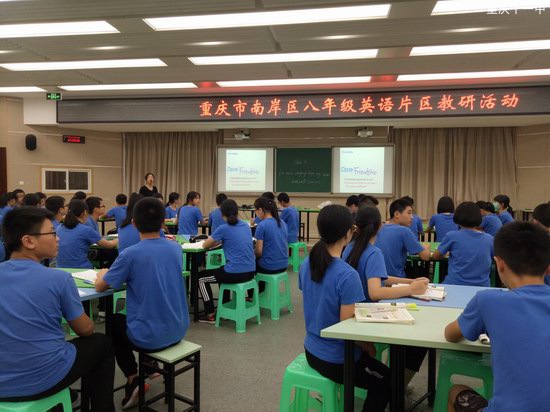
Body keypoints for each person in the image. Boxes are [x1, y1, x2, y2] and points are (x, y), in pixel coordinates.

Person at [0, 207, 115, 411]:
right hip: (43, 378)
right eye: (52, 233)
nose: (58, 238)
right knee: (102, 343)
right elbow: (84, 330)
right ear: (28, 241)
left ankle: (69, 395)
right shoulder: (58, 278)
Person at [444, 222, 550, 412]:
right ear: (548, 268)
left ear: (499, 264)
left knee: (456, 391)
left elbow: (450, 335)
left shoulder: (488, 301)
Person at [96, 198, 189, 409]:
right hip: (178, 328)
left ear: (134, 223)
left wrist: (102, 273)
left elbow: (101, 286)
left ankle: (132, 378)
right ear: (163, 223)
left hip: (149, 336)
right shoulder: (176, 248)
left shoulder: (130, 254)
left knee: (114, 323)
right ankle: (150, 367)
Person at [299, 205, 390, 412]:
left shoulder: (307, 263)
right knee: (386, 380)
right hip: (336, 359)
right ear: (348, 233)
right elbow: (347, 329)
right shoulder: (347, 275)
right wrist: (367, 345)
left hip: (311, 349)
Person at [342, 206, 428, 302]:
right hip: (368, 307)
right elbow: (375, 293)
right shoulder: (374, 253)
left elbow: (377, 278)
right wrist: (411, 289)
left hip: (351, 305)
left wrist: (411, 282)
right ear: (380, 226)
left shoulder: (349, 247)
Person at [197, 199, 256, 324]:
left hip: (235, 273)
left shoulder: (223, 228)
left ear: (222, 214)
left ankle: (210, 314)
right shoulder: (245, 226)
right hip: (251, 272)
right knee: (222, 270)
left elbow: (205, 245)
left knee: (201, 278)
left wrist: (210, 241)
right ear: (237, 212)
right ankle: (225, 305)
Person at [432, 202, 494, 286]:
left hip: (454, 284)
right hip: (482, 286)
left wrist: (447, 255)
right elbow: (495, 258)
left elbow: (435, 256)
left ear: (457, 217)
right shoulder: (489, 239)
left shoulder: (452, 236)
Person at [374, 199, 431, 278]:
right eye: (409, 213)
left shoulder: (380, 228)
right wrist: (426, 247)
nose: (412, 217)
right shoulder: (404, 231)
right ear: (397, 214)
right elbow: (426, 257)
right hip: (397, 279)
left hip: (377, 278)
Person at [56, 199, 117, 269]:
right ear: (85, 212)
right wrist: (118, 239)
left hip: (60, 268)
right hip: (82, 269)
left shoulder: (59, 228)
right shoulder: (86, 229)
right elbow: (109, 245)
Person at [254, 196, 288, 282]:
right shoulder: (282, 222)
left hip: (269, 266)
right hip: (284, 265)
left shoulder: (262, 225)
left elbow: (259, 252)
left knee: (249, 263)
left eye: (255, 210)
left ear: (260, 210)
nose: (255, 212)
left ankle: (258, 290)